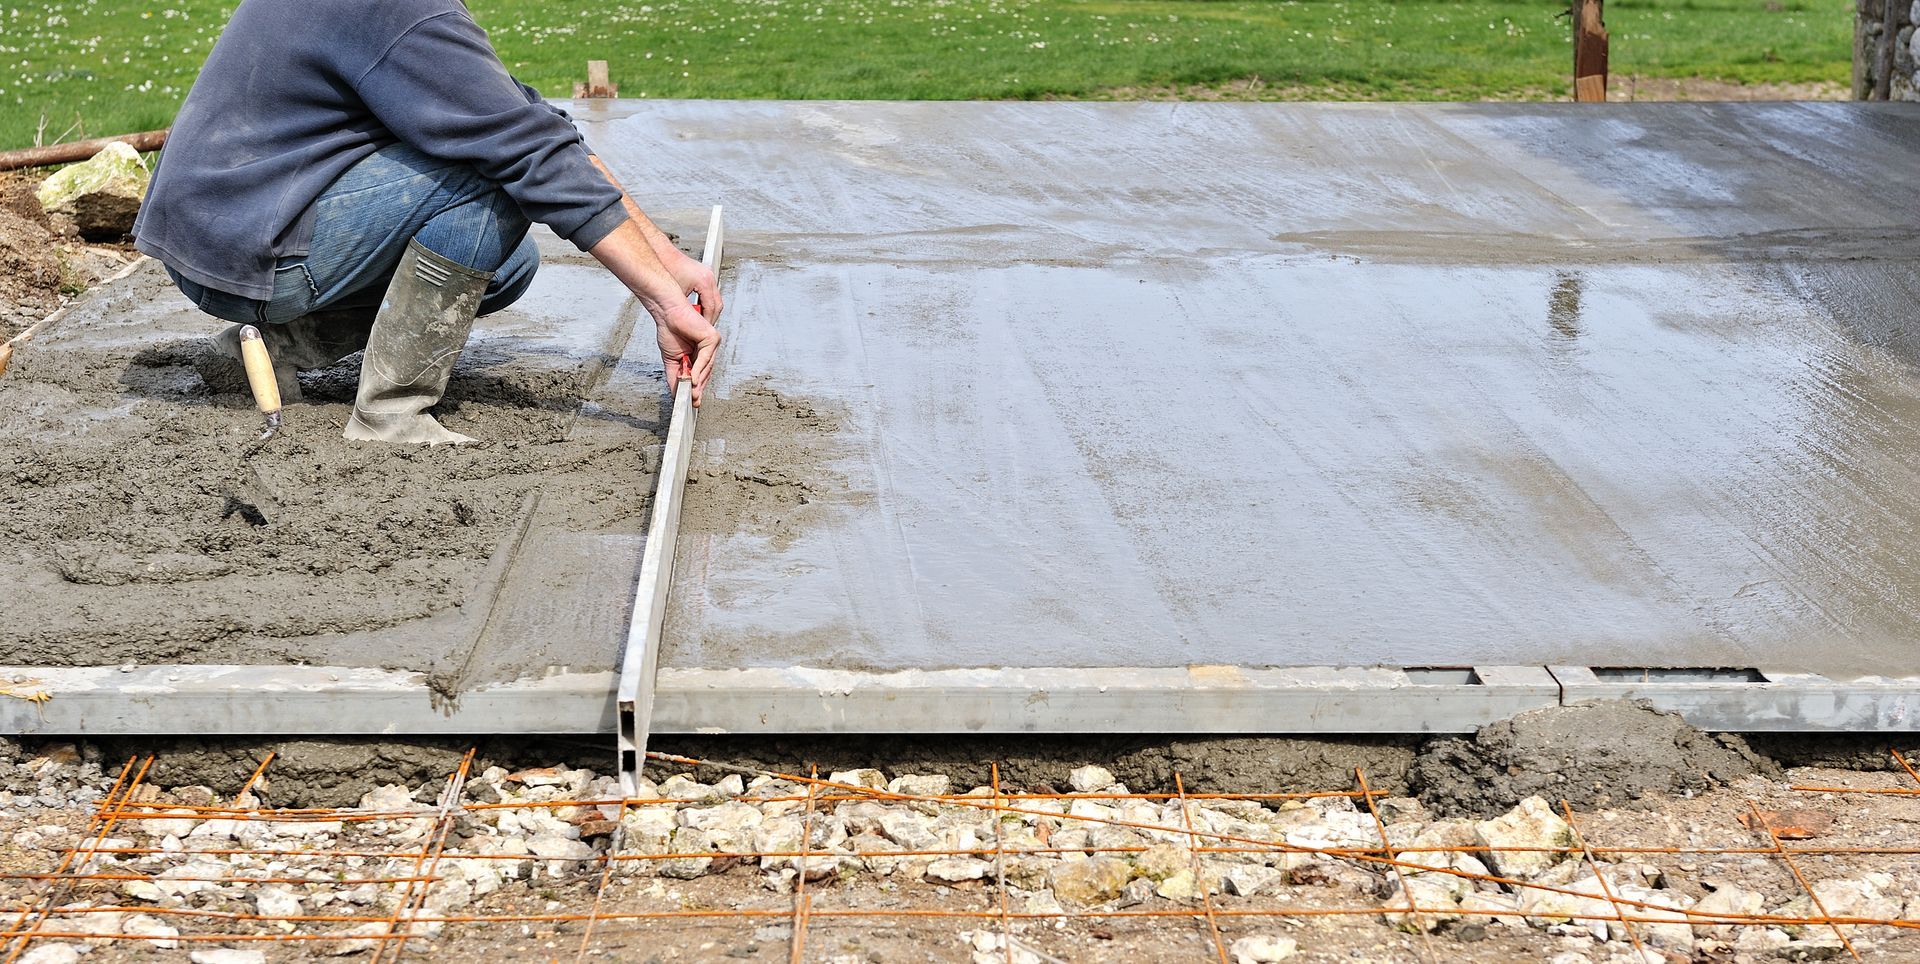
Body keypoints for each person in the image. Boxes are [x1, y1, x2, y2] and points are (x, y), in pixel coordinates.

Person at [133, 0, 721, 445]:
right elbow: (523, 153)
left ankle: (274, 346)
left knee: (507, 264)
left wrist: (665, 259)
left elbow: (529, 118)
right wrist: (664, 304)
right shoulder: (397, 9)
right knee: (493, 181)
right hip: (251, 250)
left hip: (223, 232)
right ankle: (392, 414)